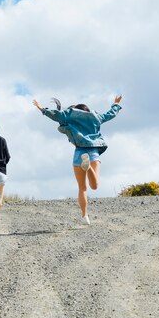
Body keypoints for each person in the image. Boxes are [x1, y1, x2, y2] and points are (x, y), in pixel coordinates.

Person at [32, 95, 122, 225]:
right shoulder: (96, 117)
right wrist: (116, 104)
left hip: (79, 152)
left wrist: (42, 109)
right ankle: (89, 167)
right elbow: (110, 114)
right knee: (94, 186)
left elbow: (55, 115)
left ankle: (84, 216)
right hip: (93, 151)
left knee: (82, 188)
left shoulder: (70, 116)